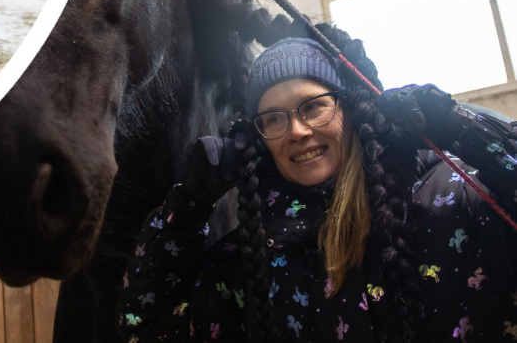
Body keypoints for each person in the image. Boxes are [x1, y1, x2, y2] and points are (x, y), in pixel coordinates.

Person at [118, 30, 517, 341]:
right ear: (259, 139)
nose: (296, 130)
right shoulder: (251, 259)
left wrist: (464, 128)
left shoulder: (454, 198)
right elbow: (143, 326)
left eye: (313, 106)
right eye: (273, 119)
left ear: (349, 109)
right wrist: (187, 206)